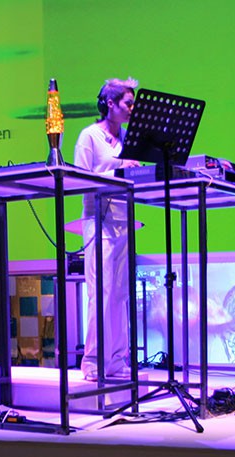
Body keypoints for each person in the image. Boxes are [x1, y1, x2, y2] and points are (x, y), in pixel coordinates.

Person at [73, 77, 140, 381]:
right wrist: (118, 170)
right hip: (98, 219)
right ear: (110, 104)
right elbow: (79, 180)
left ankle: (115, 360)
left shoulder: (127, 138)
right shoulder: (89, 136)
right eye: (128, 103)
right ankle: (93, 362)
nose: (132, 108)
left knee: (121, 293)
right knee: (101, 291)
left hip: (124, 219)